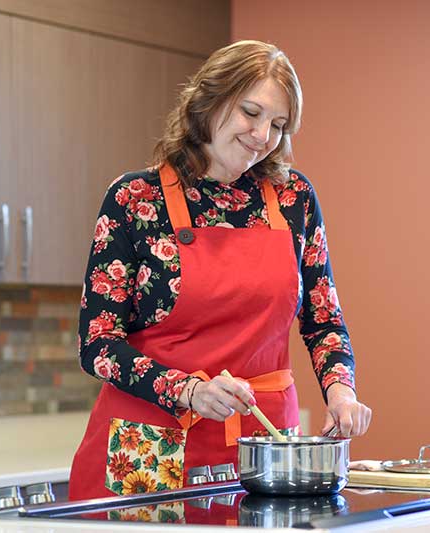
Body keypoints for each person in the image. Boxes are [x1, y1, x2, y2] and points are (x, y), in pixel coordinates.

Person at [68, 40, 372, 501]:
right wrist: (188, 390)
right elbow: (97, 344)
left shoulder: (294, 200)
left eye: (278, 124)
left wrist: (341, 392)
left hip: (265, 449)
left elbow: (323, 320)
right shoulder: (136, 199)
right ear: (208, 102)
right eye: (251, 112)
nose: (262, 134)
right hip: (150, 448)